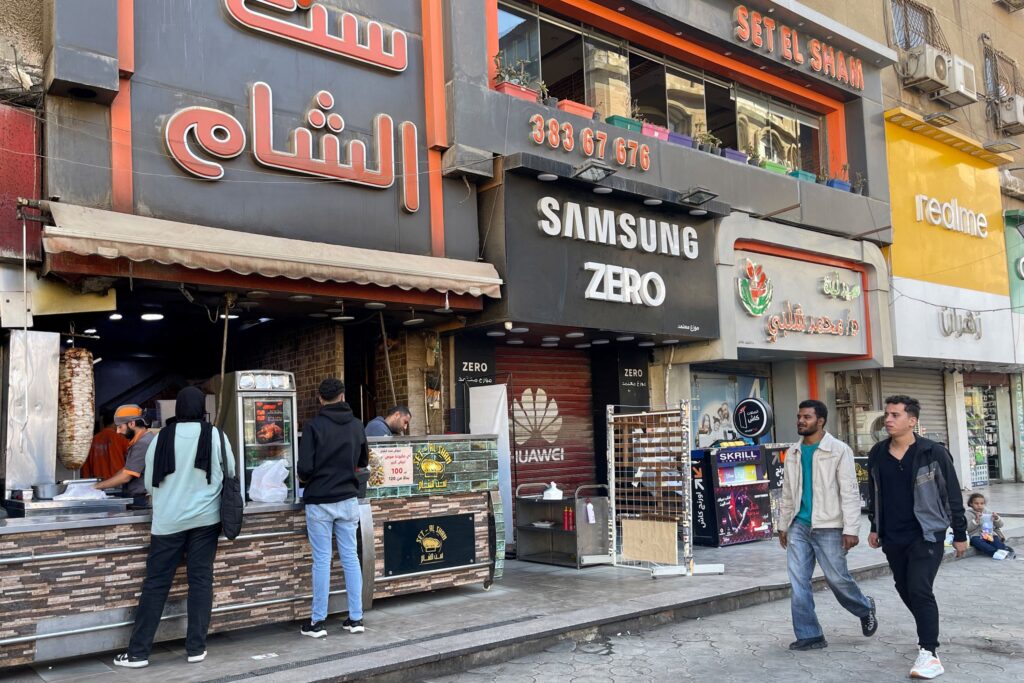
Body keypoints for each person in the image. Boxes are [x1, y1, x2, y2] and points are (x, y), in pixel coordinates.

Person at [113, 387, 235, 669]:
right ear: (202, 408)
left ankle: (138, 653)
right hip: (205, 521)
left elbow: (147, 483)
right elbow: (230, 473)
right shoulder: (215, 435)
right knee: (201, 580)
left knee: (156, 584)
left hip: (167, 522)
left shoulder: (160, 437)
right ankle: (196, 648)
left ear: (178, 409)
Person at [866, 395, 968, 680]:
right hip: (892, 535)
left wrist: (960, 533)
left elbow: (952, 494)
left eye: (895, 415)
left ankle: (929, 652)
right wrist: (875, 526)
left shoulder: (932, 452)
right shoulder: (877, 453)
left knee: (920, 588)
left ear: (912, 420)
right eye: (887, 414)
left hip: (927, 533)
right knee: (904, 587)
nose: (888, 419)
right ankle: (928, 627)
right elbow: (874, 494)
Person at [779, 399, 877, 651]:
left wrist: (851, 529)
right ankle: (810, 635)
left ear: (820, 421)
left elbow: (850, 491)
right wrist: (783, 525)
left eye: (807, 417)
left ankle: (864, 607)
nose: (801, 421)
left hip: (830, 526)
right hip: (799, 525)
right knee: (798, 582)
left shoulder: (838, 450)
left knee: (837, 579)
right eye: (799, 416)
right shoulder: (793, 452)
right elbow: (788, 493)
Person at [297, 378, 369, 638]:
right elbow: (362, 461)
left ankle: (317, 622)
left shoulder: (313, 427)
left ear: (320, 399)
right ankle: (356, 618)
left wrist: (308, 479)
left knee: (322, 560)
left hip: (320, 502)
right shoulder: (357, 425)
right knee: (350, 557)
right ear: (342, 396)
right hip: (348, 499)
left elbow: (303, 469)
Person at [93, 405, 154, 508]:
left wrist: (95, 487)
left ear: (132, 423)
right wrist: (106, 484)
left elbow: (126, 477)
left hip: (141, 499)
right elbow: (126, 469)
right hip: (136, 496)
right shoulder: (139, 441)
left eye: (120, 427)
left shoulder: (143, 443)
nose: (117, 431)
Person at [81, 411, 129, 480]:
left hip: (97, 482)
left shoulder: (92, 440)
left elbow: (85, 466)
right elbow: (132, 459)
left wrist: (86, 480)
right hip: (116, 481)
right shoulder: (121, 438)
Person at [966, 492, 1015, 559]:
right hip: (976, 536)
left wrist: (996, 518)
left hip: (989, 534)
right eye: (976, 503)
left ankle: (1003, 550)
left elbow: (1000, 525)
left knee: (997, 542)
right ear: (971, 504)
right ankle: (994, 553)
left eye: (981, 503)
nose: (979, 505)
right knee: (979, 543)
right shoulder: (968, 514)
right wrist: (976, 520)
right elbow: (967, 528)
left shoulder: (988, 512)